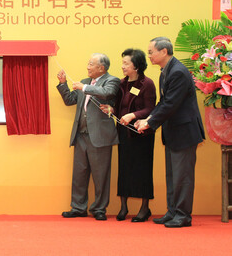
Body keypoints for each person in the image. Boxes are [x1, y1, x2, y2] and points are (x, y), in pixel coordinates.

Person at [135, 37, 205, 228]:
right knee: (172, 176)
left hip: (184, 132)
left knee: (183, 177)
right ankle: (172, 211)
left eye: (151, 52)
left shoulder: (178, 72)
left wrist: (150, 123)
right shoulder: (165, 71)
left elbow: (171, 104)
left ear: (163, 52)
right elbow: (163, 103)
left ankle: (183, 215)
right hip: (173, 132)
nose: (149, 55)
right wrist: (147, 119)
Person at [57, 53, 120, 221]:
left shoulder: (111, 81)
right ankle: (78, 207)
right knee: (79, 174)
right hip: (81, 136)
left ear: (102, 68)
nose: (88, 67)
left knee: (101, 175)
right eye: (88, 63)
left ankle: (99, 208)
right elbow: (70, 100)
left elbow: (107, 93)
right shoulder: (84, 82)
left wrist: (84, 88)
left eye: (91, 64)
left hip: (99, 137)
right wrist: (63, 84)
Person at [100, 49, 156, 222]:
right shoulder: (122, 84)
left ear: (136, 66)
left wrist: (133, 115)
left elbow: (150, 109)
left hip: (141, 134)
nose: (122, 66)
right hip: (124, 133)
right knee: (124, 169)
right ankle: (123, 207)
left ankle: (144, 208)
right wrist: (111, 110)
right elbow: (118, 107)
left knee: (142, 170)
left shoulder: (147, 84)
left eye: (126, 63)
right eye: (122, 63)